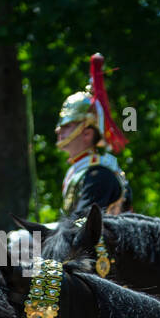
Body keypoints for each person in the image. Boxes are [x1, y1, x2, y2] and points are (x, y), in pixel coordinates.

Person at [56, 53, 131, 222]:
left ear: (87, 133)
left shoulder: (98, 175)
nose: (58, 130)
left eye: (67, 126)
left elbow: (79, 225)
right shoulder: (80, 171)